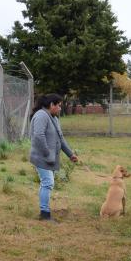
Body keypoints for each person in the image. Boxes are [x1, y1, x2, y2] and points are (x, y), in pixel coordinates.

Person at [29, 93, 79, 221]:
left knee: (46, 183)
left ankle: (44, 211)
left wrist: (70, 154)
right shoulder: (41, 115)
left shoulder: (54, 118)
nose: (60, 108)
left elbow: (61, 139)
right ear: (51, 105)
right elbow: (38, 136)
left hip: (49, 158)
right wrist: (46, 153)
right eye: (59, 106)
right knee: (48, 183)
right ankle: (45, 214)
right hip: (41, 158)